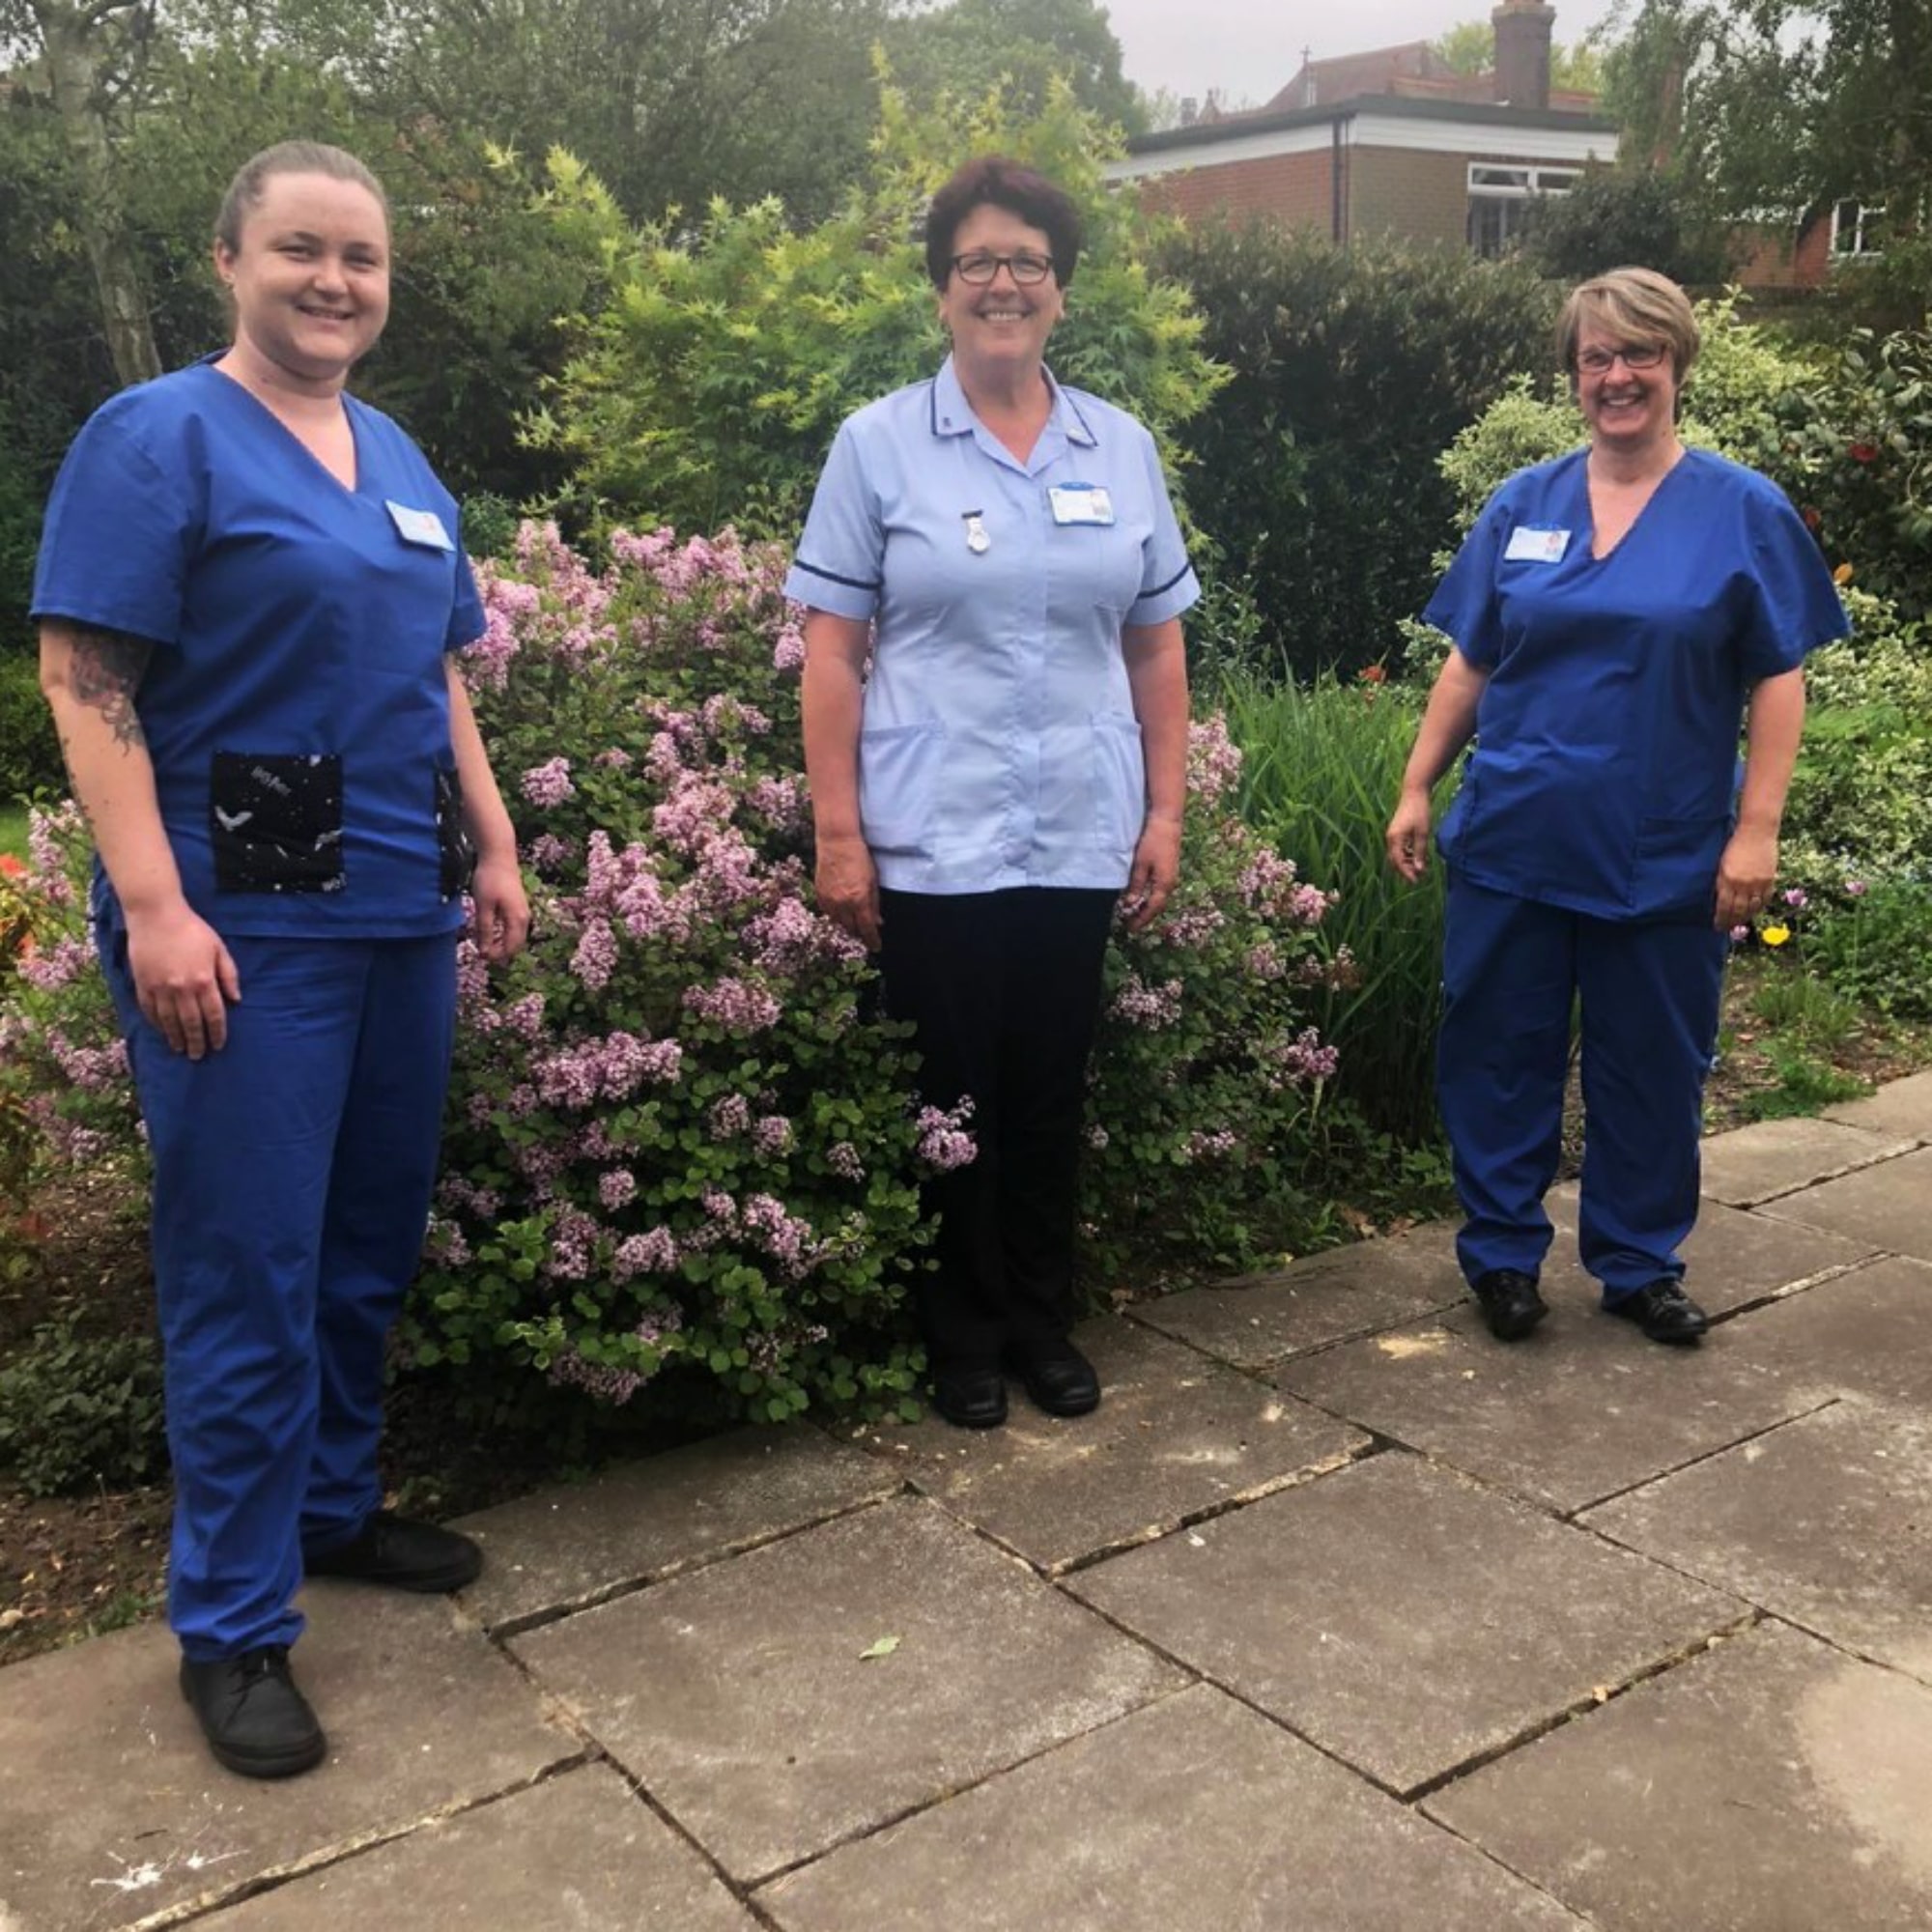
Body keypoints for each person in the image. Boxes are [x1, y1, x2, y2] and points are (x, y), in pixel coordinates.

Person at [33, 141, 528, 1778]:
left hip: (393, 896)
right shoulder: (157, 437)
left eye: (363, 260)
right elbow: (87, 674)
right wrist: (156, 906)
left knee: (366, 1238)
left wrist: (500, 841)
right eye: (302, 249)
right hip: (236, 911)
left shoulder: (394, 455)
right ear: (232, 258)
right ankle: (232, 1625)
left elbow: (441, 665)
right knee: (245, 1262)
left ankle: (329, 1511)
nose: (335, 282)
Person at [786, 156, 1196, 1429]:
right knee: (949, 1091)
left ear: (1061, 291)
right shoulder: (879, 447)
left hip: (1077, 827)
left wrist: (1167, 810)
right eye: (978, 263)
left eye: (1026, 261)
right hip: (935, 837)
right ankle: (959, 1332)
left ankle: (1039, 1320)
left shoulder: (1117, 448)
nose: (1003, 282)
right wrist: (839, 832)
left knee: (1048, 1089)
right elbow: (833, 651)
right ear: (944, 291)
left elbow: (1156, 644)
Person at [1387, 266, 1846, 1349]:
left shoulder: (1741, 511)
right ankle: (1501, 1256)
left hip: (1664, 849)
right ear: (1574, 376)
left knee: (1651, 1060)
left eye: (1637, 351)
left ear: (1676, 362)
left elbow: (1778, 674)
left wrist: (1757, 826)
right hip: (1514, 838)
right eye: (1595, 356)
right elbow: (1471, 659)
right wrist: (1417, 781)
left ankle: (1637, 1263)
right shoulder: (1524, 503)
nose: (1616, 374)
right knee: (1498, 1051)